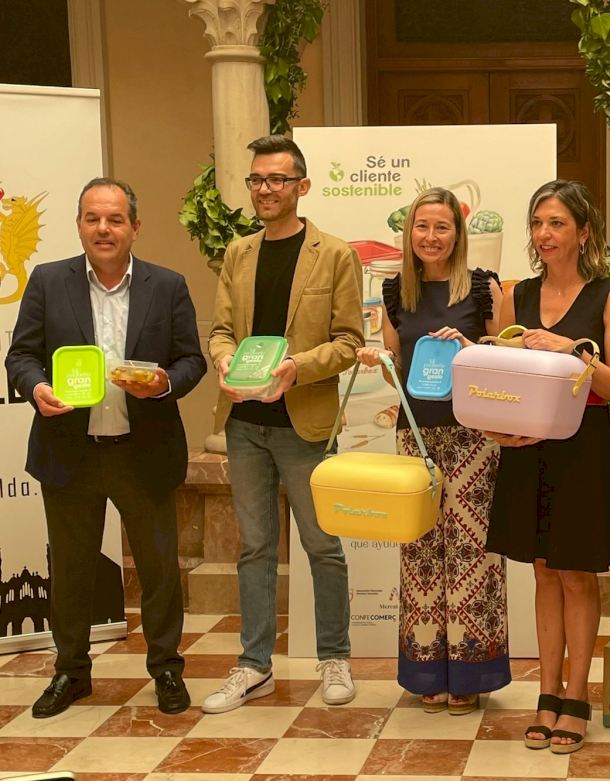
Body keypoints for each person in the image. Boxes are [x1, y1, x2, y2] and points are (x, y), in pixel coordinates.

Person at [6, 177, 206, 718]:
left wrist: (162, 383)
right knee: (71, 570)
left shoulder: (168, 285)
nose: (103, 228)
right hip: (70, 452)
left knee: (159, 571)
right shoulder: (48, 281)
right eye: (93, 218)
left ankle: (166, 668)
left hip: (144, 452)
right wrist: (36, 388)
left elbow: (192, 360)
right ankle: (71, 672)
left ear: (134, 228)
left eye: (115, 219)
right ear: (78, 225)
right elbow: (21, 356)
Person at [205, 135, 364, 713]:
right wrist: (224, 359)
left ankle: (335, 657)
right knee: (254, 548)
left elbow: (349, 341)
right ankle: (254, 666)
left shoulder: (335, 254)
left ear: (302, 186)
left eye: (276, 179)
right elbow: (221, 331)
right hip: (245, 422)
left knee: (322, 546)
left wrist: (297, 367)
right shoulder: (238, 253)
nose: (265, 189)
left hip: (305, 424)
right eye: (257, 179)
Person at [485, 179, 610, 754]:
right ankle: (546, 694)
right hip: (527, 449)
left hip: (582, 447)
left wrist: (572, 349)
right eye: (538, 223)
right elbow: (500, 379)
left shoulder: (609, 296)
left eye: (557, 223)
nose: (544, 234)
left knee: (576, 574)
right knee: (543, 572)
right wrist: (499, 426)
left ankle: (576, 696)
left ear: (584, 232)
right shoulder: (515, 296)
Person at [356, 187, 509, 715]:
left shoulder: (484, 288)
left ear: (458, 234)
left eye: (442, 226)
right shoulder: (395, 292)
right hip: (415, 435)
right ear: (409, 234)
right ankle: (426, 670)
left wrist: (472, 350)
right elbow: (398, 370)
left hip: (473, 435)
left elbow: (505, 360)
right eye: (422, 226)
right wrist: (381, 362)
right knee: (420, 552)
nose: (431, 236)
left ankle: (471, 671)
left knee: (473, 555)